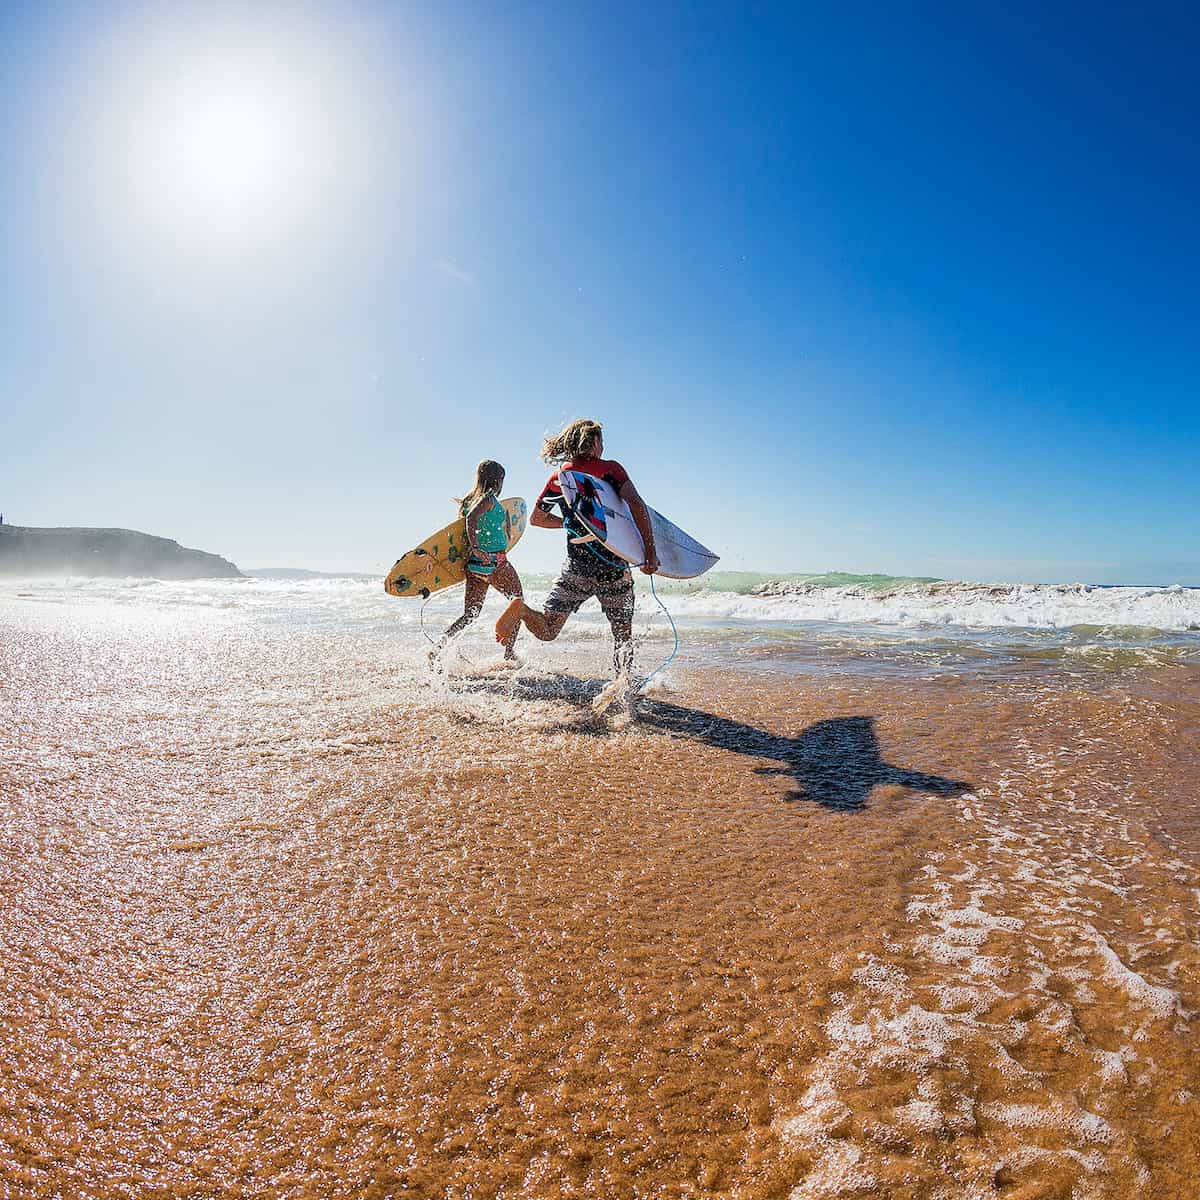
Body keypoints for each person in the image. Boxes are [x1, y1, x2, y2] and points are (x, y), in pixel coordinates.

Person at [494, 419, 658, 676]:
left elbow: (537, 519)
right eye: (601, 441)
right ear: (594, 442)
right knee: (622, 634)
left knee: (548, 630)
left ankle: (522, 609)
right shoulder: (611, 470)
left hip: (576, 567)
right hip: (613, 567)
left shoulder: (560, 478)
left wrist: (571, 522)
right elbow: (636, 505)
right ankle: (624, 688)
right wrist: (650, 552)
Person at [431, 459, 524, 663]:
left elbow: (467, 525)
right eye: (501, 479)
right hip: (494, 562)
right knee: (518, 603)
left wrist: (475, 548)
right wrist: (476, 545)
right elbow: (471, 519)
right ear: (496, 480)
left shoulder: (468, 500)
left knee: (470, 615)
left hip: (474, 566)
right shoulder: (489, 499)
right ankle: (509, 654)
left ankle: (438, 648)